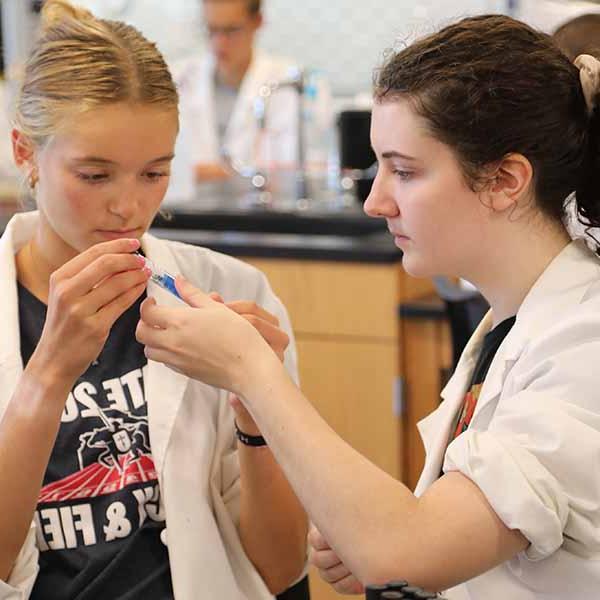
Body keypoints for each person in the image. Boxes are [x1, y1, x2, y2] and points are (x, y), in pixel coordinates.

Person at [136, 14, 600, 600]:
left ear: (505, 179)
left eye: (404, 171)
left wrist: (252, 371)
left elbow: (401, 551)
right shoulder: (511, 322)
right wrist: (385, 535)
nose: (376, 202)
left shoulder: (586, 345)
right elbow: (454, 545)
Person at [0, 1, 308, 599]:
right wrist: (47, 376)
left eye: (153, 173)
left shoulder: (232, 292)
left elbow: (278, 571)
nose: (128, 208)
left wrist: (258, 408)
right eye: (95, 175)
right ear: (25, 153)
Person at [173, 0, 331, 182]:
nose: (219, 43)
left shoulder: (294, 84)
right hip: (188, 208)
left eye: (231, 30)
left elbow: (305, 168)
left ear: (258, 21)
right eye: (211, 30)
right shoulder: (177, 79)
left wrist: (211, 173)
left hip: (267, 208)